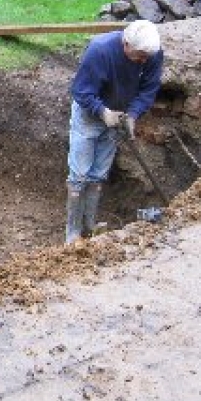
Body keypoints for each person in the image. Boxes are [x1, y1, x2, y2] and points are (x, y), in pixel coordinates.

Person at [65, 19, 164, 244]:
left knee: (98, 174)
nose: (142, 61)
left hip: (118, 117)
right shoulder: (100, 50)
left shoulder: (151, 54)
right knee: (79, 174)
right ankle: (72, 233)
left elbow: (149, 88)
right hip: (89, 116)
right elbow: (81, 91)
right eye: (138, 56)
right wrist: (102, 112)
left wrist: (133, 114)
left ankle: (89, 227)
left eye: (146, 58)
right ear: (125, 44)